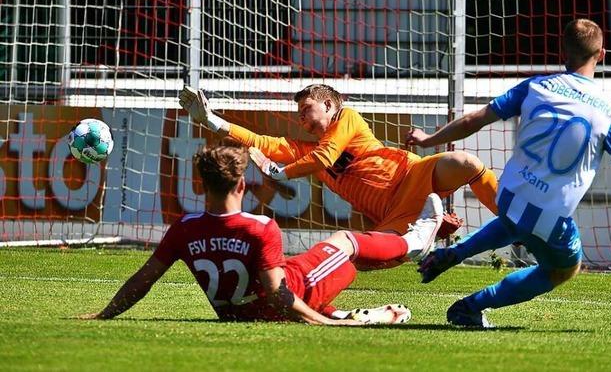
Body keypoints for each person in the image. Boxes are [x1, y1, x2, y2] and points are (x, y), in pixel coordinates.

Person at [406, 19, 611, 327]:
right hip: (550, 213)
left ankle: (456, 252)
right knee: (562, 269)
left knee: (517, 221)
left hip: (508, 193)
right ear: (601, 54)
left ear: (563, 49)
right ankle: (471, 306)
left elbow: (474, 119)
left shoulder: (536, 85)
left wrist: (428, 139)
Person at [81, 143, 445, 324]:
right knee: (345, 243)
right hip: (291, 294)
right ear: (241, 184)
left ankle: (354, 315)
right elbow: (278, 292)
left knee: (337, 264)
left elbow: (143, 278)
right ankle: (412, 243)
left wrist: (104, 315)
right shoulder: (260, 226)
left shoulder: (183, 229)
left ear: (200, 184)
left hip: (239, 314)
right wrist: (318, 324)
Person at [179, 83, 499, 269]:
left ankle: (513, 217)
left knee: (465, 162)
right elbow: (265, 143)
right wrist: (213, 122)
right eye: (299, 115)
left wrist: (282, 171)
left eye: (306, 109)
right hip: (392, 212)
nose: (302, 119)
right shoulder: (307, 152)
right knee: (360, 262)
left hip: (412, 173)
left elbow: (325, 156)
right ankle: (428, 227)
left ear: (329, 104)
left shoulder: (347, 117)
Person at [501, 0, 611, 300]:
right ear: (600, 54)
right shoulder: (608, 109)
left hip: (518, 194)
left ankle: (467, 288)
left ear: (563, 51)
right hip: (545, 208)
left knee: (556, 258)